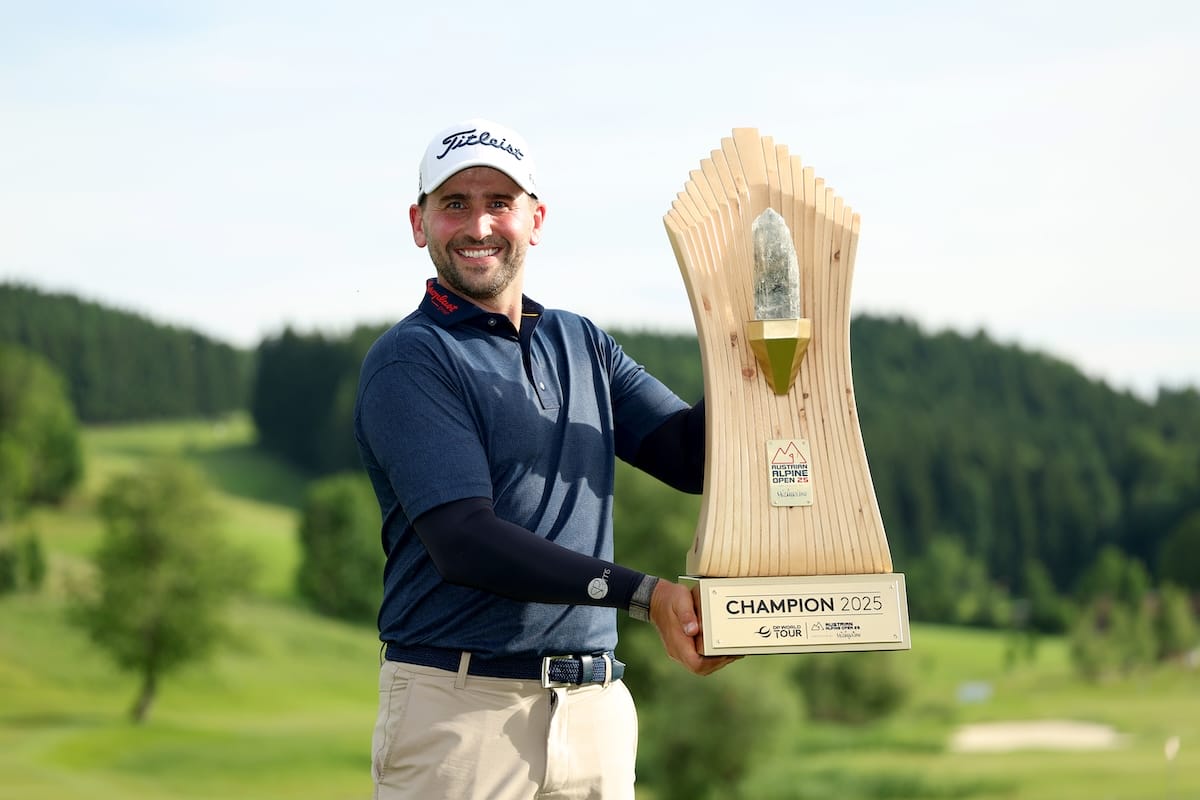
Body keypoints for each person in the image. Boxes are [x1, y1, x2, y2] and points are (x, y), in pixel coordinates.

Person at [354, 118, 738, 800]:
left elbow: (690, 458)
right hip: (462, 714)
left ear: (535, 219)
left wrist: (747, 342)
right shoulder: (412, 359)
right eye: (454, 204)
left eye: (499, 202)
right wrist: (645, 595)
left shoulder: (581, 342)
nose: (478, 225)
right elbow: (465, 542)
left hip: (595, 711)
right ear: (419, 223)